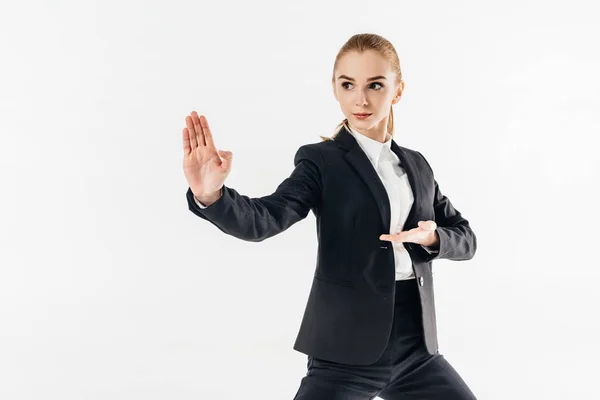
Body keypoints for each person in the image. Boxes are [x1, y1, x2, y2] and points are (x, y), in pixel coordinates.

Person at [182, 33, 477, 400]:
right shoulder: (321, 161)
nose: (361, 99)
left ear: (397, 91)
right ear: (335, 90)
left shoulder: (417, 165)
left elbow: (465, 238)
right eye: (348, 84)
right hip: (345, 355)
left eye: (375, 85)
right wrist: (210, 195)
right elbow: (266, 218)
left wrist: (433, 238)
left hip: (416, 352)